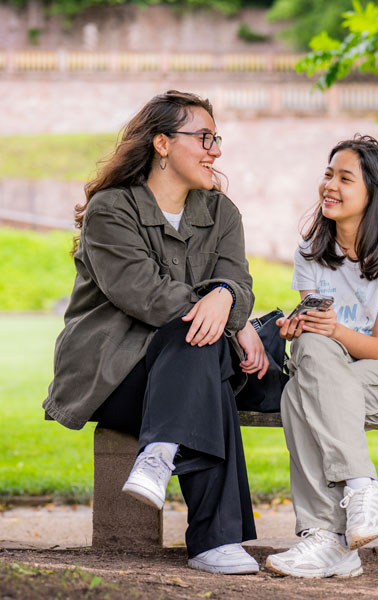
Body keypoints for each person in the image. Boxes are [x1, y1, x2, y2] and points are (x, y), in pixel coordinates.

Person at [43, 90, 268, 575]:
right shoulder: (111, 210)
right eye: (203, 137)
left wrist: (230, 298)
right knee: (200, 344)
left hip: (187, 372)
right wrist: (231, 317)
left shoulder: (221, 214)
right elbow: (143, 294)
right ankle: (215, 541)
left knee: (203, 360)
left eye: (216, 137)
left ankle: (160, 452)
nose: (216, 149)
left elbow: (241, 283)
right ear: (162, 143)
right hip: (114, 377)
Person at [265, 136, 378, 578]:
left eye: (345, 178)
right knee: (307, 360)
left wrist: (331, 330)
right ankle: (359, 494)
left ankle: (325, 537)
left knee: (300, 399)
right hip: (337, 368)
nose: (330, 186)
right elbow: (319, 342)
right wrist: (300, 327)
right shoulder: (310, 253)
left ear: (373, 192)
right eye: (328, 174)